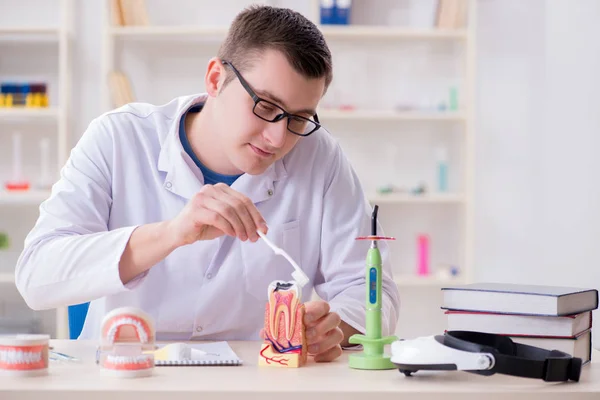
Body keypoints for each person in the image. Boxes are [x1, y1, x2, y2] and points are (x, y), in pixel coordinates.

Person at [15, 5, 400, 362]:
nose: (277, 139)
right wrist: (170, 233)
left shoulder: (319, 156)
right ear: (216, 78)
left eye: (298, 118)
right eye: (265, 107)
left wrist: (335, 327)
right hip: (128, 374)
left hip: (254, 379)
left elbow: (372, 290)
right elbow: (36, 277)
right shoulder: (119, 138)